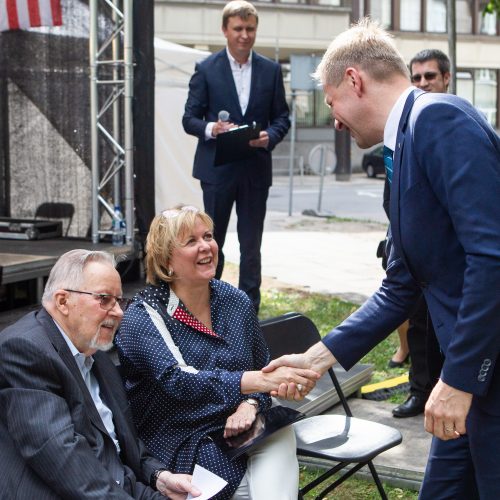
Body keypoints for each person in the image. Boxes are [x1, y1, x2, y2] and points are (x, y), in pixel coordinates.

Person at [263, 19, 500, 498]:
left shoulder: (440, 121)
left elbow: (492, 257)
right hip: (460, 386)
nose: (333, 118)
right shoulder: (404, 144)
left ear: (354, 81)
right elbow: (402, 285)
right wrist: (316, 358)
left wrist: (459, 379)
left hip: (481, 377)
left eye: (331, 102)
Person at [114, 205, 318, 500]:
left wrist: (249, 404)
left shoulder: (234, 300)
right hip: (179, 439)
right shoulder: (144, 315)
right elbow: (179, 380)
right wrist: (258, 383)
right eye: (191, 241)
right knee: (258, 486)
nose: (206, 246)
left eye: (207, 236)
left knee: (278, 433)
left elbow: (261, 369)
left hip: (237, 430)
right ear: (166, 259)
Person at [0, 249, 200, 499]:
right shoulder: (25, 349)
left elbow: (122, 441)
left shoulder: (96, 353)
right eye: (104, 299)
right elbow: (63, 460)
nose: (118, 312)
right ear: (63, 301)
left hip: (118, 485)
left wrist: (159, 477)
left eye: (118, 300)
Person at [182, 0, 290, 312]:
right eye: (238, 29)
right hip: (217, 171)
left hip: (255, 170)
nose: (244, 35)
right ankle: (208, 308)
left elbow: (282, 117)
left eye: (250, 29)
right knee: (210, 245)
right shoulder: (206, 69)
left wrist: (272, 135)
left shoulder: (270, 70)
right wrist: (212, 128)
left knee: (251, 246)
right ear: (225, 31)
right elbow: (189, 119)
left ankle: (248, 311)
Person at [390, 49, 450, 418]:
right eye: (417, 78)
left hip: (447, 255)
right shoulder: (402, 132)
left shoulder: (452, 124)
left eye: (430, 76)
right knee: (417, 323)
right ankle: (419, 391)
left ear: (446, 79)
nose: (424, 83)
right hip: (411, 249)